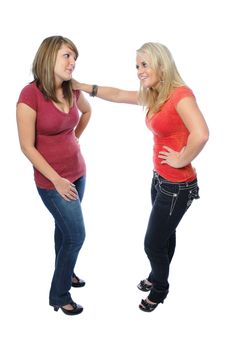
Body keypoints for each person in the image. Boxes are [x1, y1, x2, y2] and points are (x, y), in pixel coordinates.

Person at [72, 42, 209, 312]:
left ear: (161, 64)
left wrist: (182, 159)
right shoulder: (155, 94)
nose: (139, 71)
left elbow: (201, 133)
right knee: (165, 236)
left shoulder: (180, 95)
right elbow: (121, 94)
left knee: (152, 243)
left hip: (177, 186)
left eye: (144, 65)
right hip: (160, 179)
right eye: (137, 66)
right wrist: (84, 87)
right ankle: (157, 276)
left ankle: (160, 289)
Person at [16, 36, 91, 316]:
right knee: (76, 235)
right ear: (49, 57)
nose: (72, 63)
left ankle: (66, 270)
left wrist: (75, 139)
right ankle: (59, 295)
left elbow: (87, 112)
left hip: (79, 172)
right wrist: (57, 180)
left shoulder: (72, 90)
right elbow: (26, 146)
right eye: (67, 56)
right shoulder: (29, 95)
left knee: (65, 230)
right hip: (51, 181)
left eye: (75, 58)